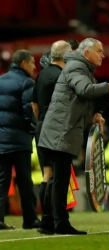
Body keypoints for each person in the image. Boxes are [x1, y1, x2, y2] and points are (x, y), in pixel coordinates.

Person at [38, 38, 109, 235]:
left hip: (61, 130)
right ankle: (60, 222)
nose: (103, 55)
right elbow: (85, 90)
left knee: (57, 177)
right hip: (60, 131)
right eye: (99, 51)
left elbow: (88, 101)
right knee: (60, 178)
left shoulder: (83, 70)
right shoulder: (76, 68)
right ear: (87, 53)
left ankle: (48, 222)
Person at [31, 40, 73, 235]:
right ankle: (56, 220)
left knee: (47, 174)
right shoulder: (61, 76)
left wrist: (41, 121)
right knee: (57, 175)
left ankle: (46, 220)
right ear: (65, 56)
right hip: (55, 128)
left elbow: (34, 104)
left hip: (41, 126)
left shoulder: (42, 74)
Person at [0, 50, 40, 230]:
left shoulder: (0, 80)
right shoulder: (26, 82)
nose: (34, 66)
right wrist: (32, 131)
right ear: (23, 63)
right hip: (19, 140)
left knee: (2, 181)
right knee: (24, 181)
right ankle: (30, 219)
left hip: (1, 139)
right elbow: (28, 112)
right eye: (32, 63)